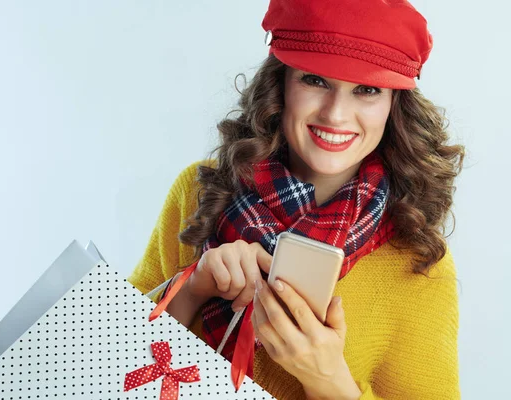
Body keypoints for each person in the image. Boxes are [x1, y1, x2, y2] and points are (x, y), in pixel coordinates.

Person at [128, 0, 465, 398]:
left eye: (367, 90)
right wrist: (194, 287)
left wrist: (329, 381)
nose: (336, 115)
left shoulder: (419, 261)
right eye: (315, 80)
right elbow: (112, 355)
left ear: (394, 105)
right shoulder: (200, 191)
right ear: (281, 83)